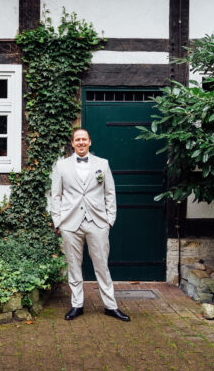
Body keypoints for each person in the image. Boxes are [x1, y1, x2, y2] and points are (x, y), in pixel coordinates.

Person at [50, 128, 130, 321]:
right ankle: (77, 305)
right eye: (77, 140)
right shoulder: (61, 166)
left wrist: (109, 220)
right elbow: (56, 195)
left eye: (84, 139)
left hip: (98, 223)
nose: (81, 142)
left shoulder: (103, 164)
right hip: (70, 224)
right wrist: (58, 221)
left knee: (102, 266)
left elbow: (110, 193)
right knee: (74, 266)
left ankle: (110, 306)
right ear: (72, 143)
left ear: (90, 141)